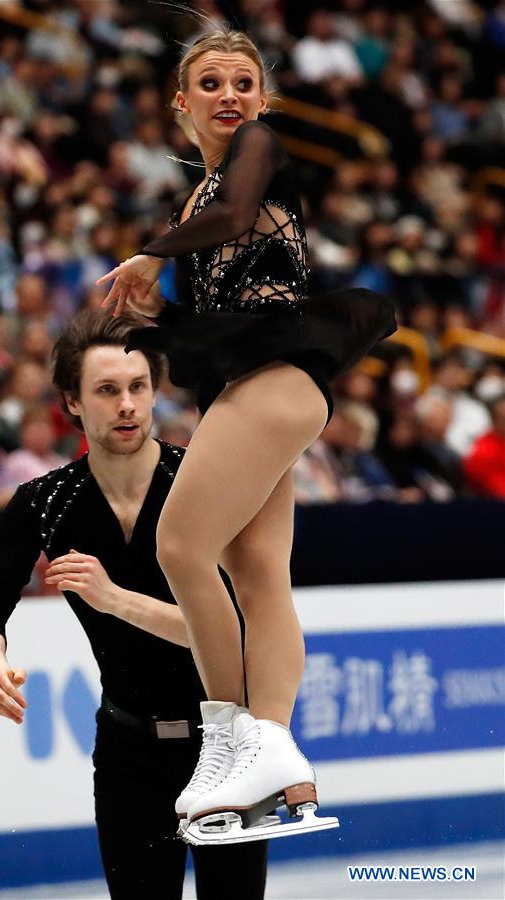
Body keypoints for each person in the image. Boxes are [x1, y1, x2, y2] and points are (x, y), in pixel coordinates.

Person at [96, 27, 396, 840]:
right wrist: (147, 304)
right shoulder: (192, 200)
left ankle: (229, 737)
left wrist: (149, 256)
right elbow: (212, 282)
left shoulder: (252, 153)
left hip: (274, 381)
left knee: (178, 547)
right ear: (180, 102)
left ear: (261, 101)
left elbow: (235, 215)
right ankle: (276, 756)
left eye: (242, 82)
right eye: (211, 82)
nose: (230, 95)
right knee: (257, 576)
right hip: (262, 390)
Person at [0, 311, 268, 900]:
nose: (127, 404)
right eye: (107, 391)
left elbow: (234, 633)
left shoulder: (205, 483)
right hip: (128, 752)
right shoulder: (44, 503)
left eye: (138, 388)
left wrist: (114, 599)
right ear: (72, 403)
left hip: (228, 742)